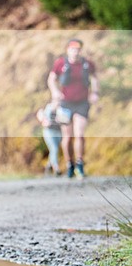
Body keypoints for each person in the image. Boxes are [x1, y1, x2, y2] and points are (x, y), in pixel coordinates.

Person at [47, 38, 99, 179]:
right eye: (72, 49)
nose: (75, 52)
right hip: (65, 104)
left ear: (80, 50)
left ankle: (80, 164)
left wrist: (94, 92)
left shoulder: (87, 64)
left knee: (79, 134)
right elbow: (51, 79)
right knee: (67, 136)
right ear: (67, 50)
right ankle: (69, 164)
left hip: (82, 103)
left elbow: (94, 78)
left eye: (77, 49)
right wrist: (55, 92)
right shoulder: (60, 63)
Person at [36, 102, 62, 176]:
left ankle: (48, 165)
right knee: (54, 149)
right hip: (48, 131)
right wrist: (43, 120)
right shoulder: (47, 106)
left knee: (54, 150)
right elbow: (39, 113)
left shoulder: (62, 106)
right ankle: (56, 168)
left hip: (59, 132)